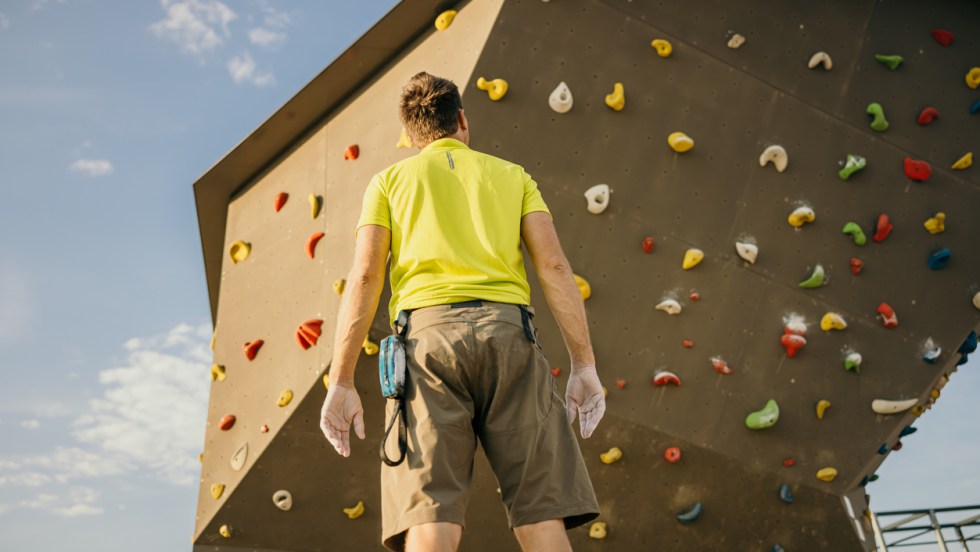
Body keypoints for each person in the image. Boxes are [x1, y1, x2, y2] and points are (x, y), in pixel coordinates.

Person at [320, 71, 605, 552]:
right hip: (510, 337)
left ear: (411, 135)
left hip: (427, 348)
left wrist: (341, 380)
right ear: (462, 121)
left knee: (431, 517)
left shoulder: (388, 182)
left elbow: (366, 277)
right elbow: (555, 267)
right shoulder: (514, 177)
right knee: (541, 514)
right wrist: (584, 365)